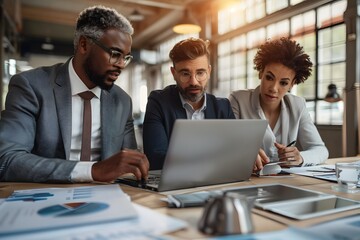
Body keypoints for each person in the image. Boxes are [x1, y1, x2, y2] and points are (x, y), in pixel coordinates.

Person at [0, 6, 149, 183]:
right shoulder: (31, 86)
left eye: (126, 57)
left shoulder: (122, 101)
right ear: (84, 45)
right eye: (115, 54)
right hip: (45, 198)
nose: (122, 65)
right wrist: (92, 171)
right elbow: (7, 160)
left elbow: (128, 165)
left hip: (107, 198)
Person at [229, 37, 328, 171]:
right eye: (269, 78)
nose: (274, 88)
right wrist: (244, 151)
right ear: (260, 73)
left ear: (292, 84)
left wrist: (300, 158)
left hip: (284, 180)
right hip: (247, 178)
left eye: (283, 83)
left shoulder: (298, 105)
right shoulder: (238, 100)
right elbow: (226, 145)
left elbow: (320, 150)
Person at [143, 38, 235, 170]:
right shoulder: (158, 102)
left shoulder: (222, 107)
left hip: (216, 184)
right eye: (185, 74)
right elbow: (156, 158)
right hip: (174, 188)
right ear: (174, 73)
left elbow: (235, 151)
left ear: (209, 72)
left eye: (200, 73)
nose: (194, 82)